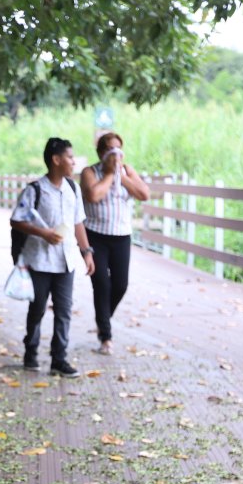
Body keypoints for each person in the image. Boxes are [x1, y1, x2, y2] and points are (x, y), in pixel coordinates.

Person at [11, 137, 96, 378]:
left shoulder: (73, 188)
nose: (73, 162)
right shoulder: (35, 189)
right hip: (39, 261)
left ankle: (59, 359)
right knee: (37, 308)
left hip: (65, 261)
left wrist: (86, 252)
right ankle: (31, 352)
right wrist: (44, 233)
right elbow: (16, 220)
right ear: (56, 160)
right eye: (70, 157)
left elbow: (78, 222)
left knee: (64, 311)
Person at [80, 131, 150, 355]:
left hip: (121, 236)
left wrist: (122, 176)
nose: (115, 153)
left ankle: (103, 319)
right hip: (96, 235)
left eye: (119, 149)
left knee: (120, 285)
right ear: (101, 152)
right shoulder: (90, 172)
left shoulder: (127, 170)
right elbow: (93, 195)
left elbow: (144, 194)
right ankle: (106, 336)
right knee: (102, 283)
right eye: (110, 149)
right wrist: (110, 174)